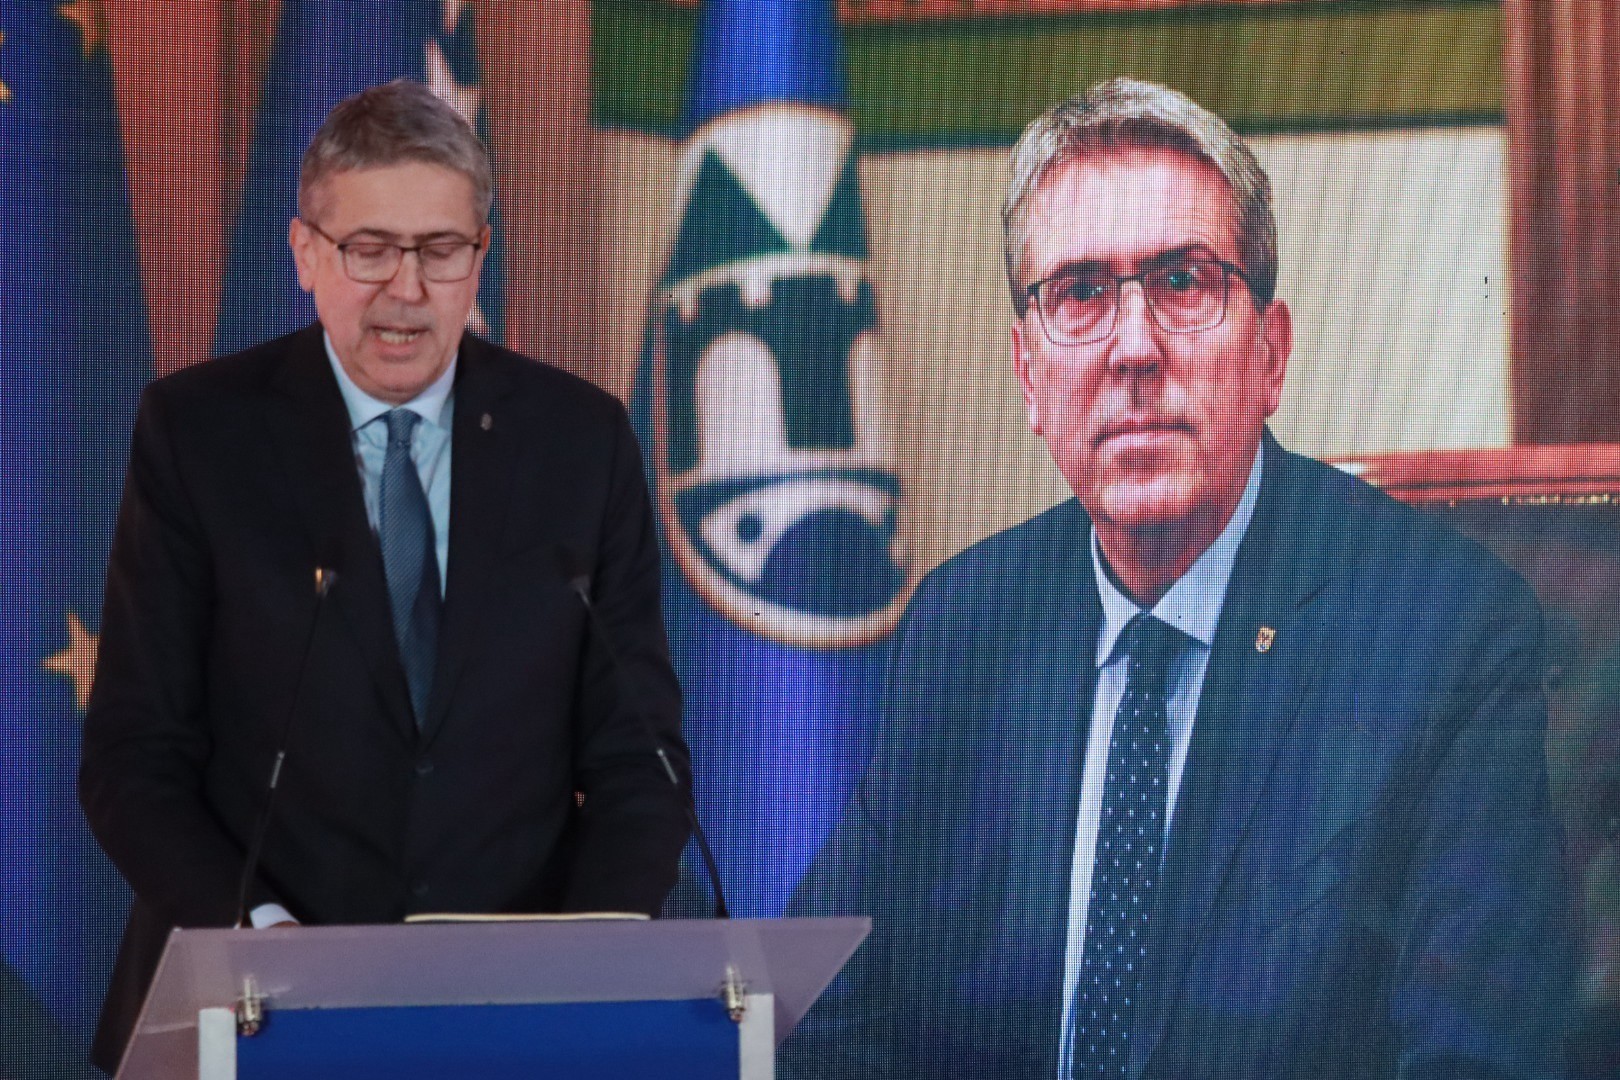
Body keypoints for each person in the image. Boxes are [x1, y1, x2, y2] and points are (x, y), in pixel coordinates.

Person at [782, 78, 1575, 1079]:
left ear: (1271, 353)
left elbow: (1477, 1058)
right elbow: (819, 1021)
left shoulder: (1443, 633)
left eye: (1184, 281)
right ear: (1028, 376)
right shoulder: (965, 624)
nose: (1134, 349)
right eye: (1080, 293)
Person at [79, 79, 689, 1072]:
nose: (406, 289)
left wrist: (578, 962)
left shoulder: (581, 441)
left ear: (479, 255)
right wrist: (259, 940)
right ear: (306, 253)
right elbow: (134, 757)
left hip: (514, 1025)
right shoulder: (200, 433)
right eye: (369, 249)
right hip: (248, 1014)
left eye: (440, 250)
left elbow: (639, 761)